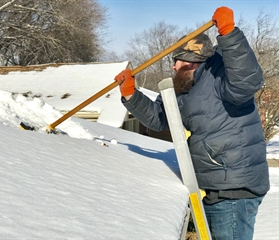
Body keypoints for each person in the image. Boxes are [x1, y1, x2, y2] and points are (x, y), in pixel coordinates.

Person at [114, 6, 270, 240]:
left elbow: (247, 81)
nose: (173, 67)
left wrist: (229, 33)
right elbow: (160, 118)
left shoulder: (220, 75)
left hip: (234, 191)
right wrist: (130, 95)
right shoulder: (182, 88)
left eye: (176, 61)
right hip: (214, 187)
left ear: (191, 60)